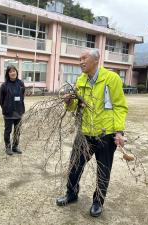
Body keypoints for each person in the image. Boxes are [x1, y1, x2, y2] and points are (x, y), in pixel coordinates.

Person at [56, 49, 128, 217]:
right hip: (85, 132)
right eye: (79, 58)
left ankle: (98, 202)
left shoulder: (112, 79)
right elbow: (76, 107)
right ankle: (71, 194)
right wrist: (68, 102)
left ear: (96, 60)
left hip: (106, 134)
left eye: (84, 58)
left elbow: (120, 106)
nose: (81, 61)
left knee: (103, 170)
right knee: (75, 165)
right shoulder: (80, 80)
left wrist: (118, 131)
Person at [0, 65, 25, 155]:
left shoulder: (21, 83)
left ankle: (15, 146)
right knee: (8, 131)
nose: (13, 73)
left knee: (17, 131)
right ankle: (8, 147)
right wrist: (5, 108)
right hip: (8, 112)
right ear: (8, 74)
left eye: (14, 71)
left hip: (18, 111)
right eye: (10, 71)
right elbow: (1, 101)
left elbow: (22, 97)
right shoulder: (4, 85)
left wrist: (20, 107)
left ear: (16, 72)